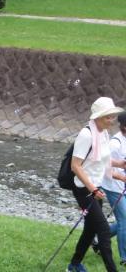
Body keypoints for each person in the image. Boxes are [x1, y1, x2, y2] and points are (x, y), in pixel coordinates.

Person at [68, 97, 126, 272]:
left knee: (90, 229)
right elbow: (75, 166)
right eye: (107, 117)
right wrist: (92, 188)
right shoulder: (86, 134)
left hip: (96, 188)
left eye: (112, 116)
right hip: (84, 188)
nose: (111, 120)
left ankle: (74, 265)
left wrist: (120, 165)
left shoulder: (104, 133)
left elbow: (103, 161)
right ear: (97, 117)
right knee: (103, 231)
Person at [102, 112, 126, 266]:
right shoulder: (115, 143)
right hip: (113, 187)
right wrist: (123, 178)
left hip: (123, 186)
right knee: (124, 220)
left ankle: (99, 238)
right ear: (124, 126)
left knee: (124, 220)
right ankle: (124, 258)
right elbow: (105, 169)